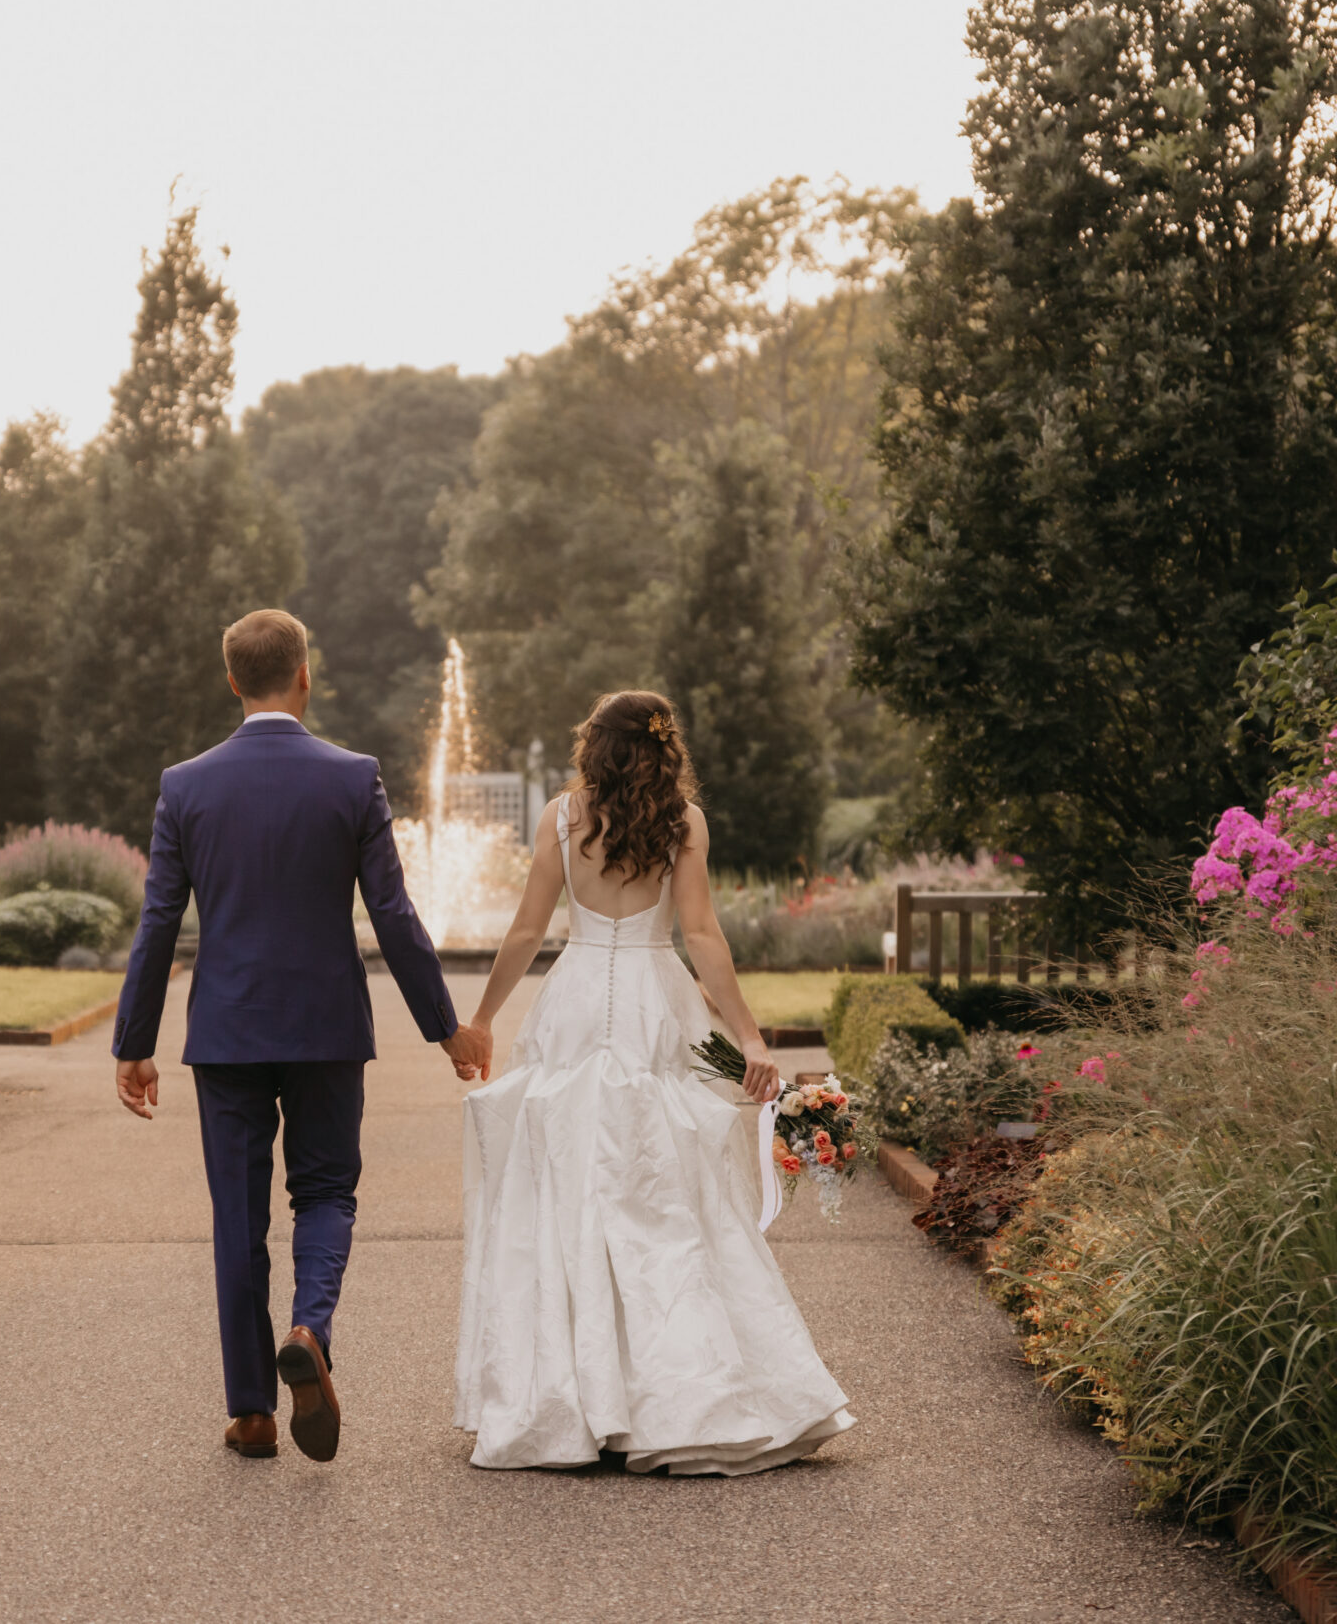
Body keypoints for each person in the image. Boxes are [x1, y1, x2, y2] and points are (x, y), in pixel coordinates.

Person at [113, 608, 493, 1462]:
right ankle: (311, 1330)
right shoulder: (351, 777)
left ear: (232, 680)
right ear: (305, 675)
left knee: (238, 1218)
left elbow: (159, 920)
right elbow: (392, 915)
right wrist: (447, 1030)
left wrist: (132, 1041)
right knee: (325, 1195)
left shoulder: (186, 785)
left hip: (227, 1032)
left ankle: (251, 1412)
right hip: (325, 1027)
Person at [449, 690, 853, 1473]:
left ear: (592, 745)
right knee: (664, 1197)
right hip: (652, 1001)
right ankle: (680, 1397)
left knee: (570, 1191)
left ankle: (570, 1399)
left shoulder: (562, 819)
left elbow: (530, 929)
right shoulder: (683, 822)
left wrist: (484, 1017)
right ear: (665, 749)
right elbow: (700, 933)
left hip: (575, 1000)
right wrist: (747, 1035)